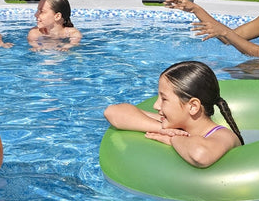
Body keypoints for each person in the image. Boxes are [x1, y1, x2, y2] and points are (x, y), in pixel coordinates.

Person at [104, 60, 243, 168]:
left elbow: (200, 155)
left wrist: (172, 139)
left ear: (193, 106)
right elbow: (113, 112)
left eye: (164, 99)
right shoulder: (175, 125)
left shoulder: (224, 135)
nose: (156, 105)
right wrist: (162, 129)